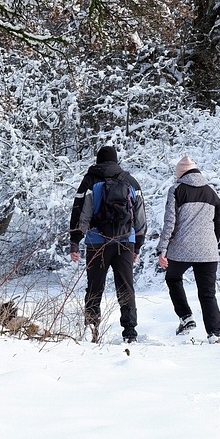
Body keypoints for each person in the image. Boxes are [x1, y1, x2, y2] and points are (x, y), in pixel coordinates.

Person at [69, 146, 147, 343]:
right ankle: (130, 332)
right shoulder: (130, 181)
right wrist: (137, 244)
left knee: (95, 286)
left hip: (97, 242)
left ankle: (92, 326)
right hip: (125, 242)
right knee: (126, 286)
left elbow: (80, 213)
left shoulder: (90, 181)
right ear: (116, 160)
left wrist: (75, 241)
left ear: (98, 160)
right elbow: (140, 216)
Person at [156, 155, 220, 342]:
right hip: (208, 250)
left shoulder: (176, 190)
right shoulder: (212, 192)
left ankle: (186, 316)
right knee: (207, 292)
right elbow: (219, 221)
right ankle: (214, 333)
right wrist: (213, 241)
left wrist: (162, 250)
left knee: (173, 277)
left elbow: (170, 222)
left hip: (182, 249)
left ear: (181, 174)